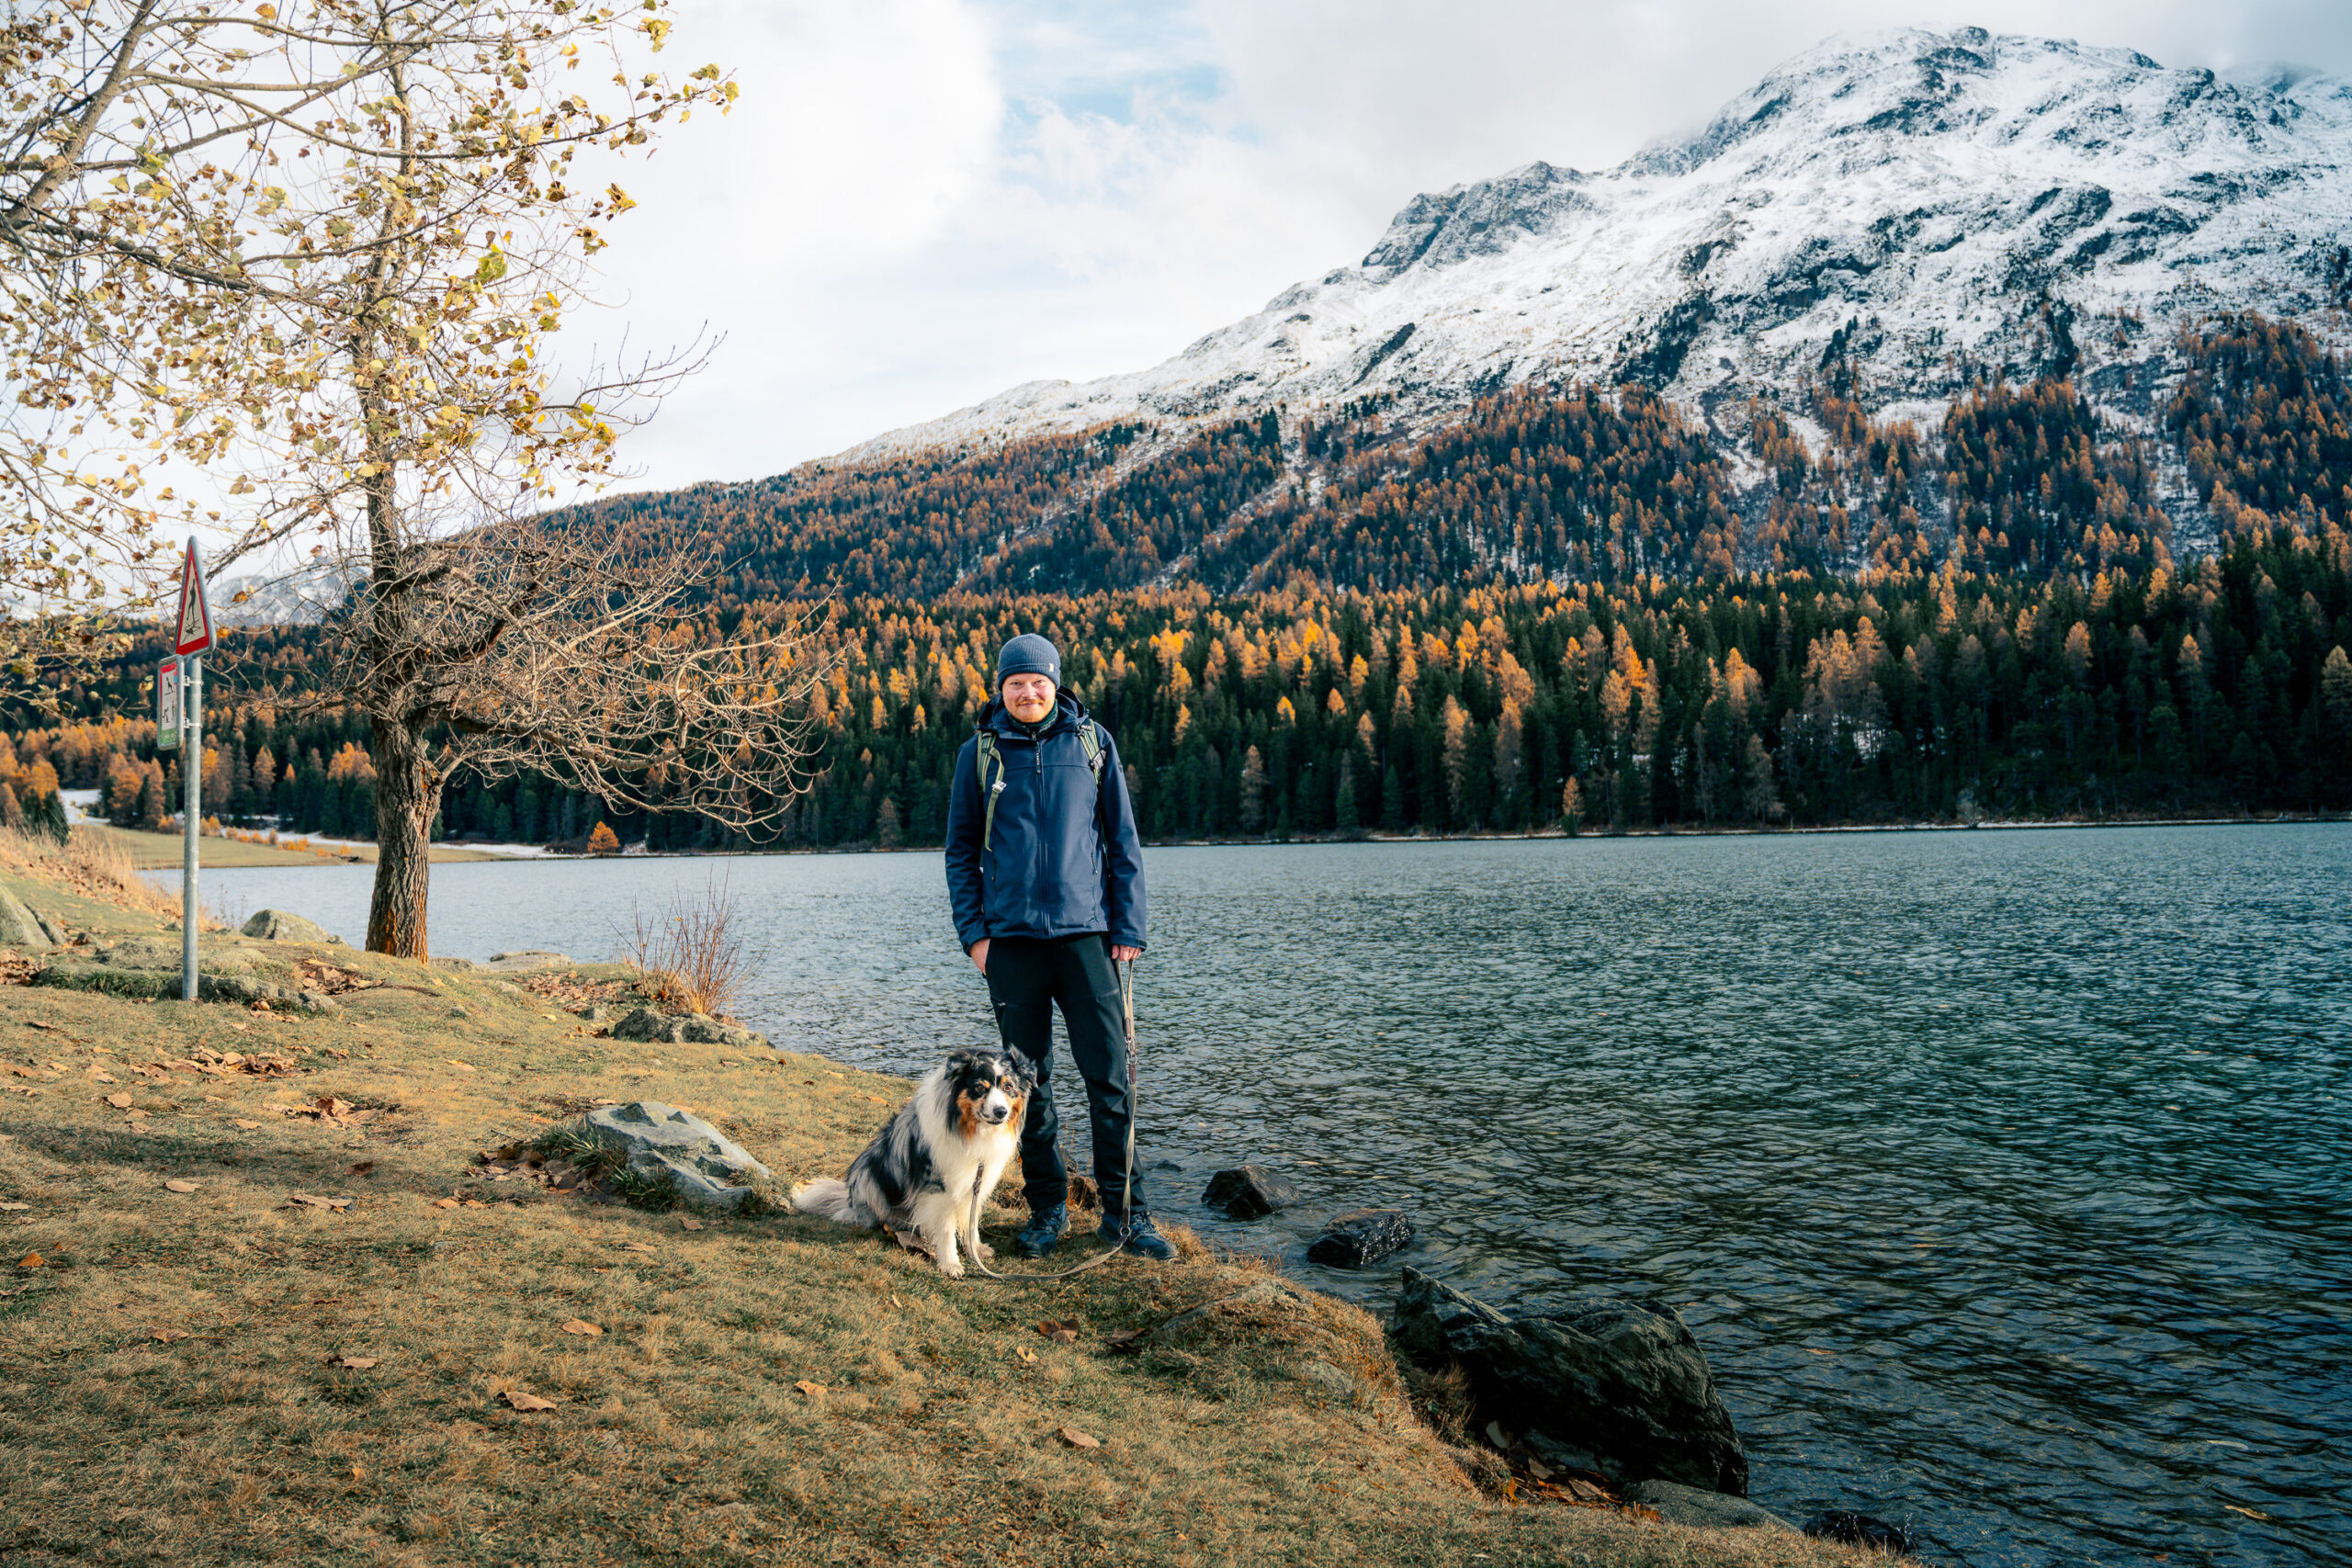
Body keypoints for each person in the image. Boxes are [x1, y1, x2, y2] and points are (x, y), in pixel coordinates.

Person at [944, 632, 1171, 1261]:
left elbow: (1123, 844)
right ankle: (1048, 1210)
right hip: (1011, 947)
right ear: (1001, 688)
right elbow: (960, 852)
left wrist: (1128, 929)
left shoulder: (1092, 745)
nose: (1027, 691)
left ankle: (1125, 1215)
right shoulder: (980, 753)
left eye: (1037, 681)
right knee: (1024, 1088)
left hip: (1086, 940)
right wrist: (976, 937)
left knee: (1112, 1080)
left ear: (1055, 683)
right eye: (1015, 682)